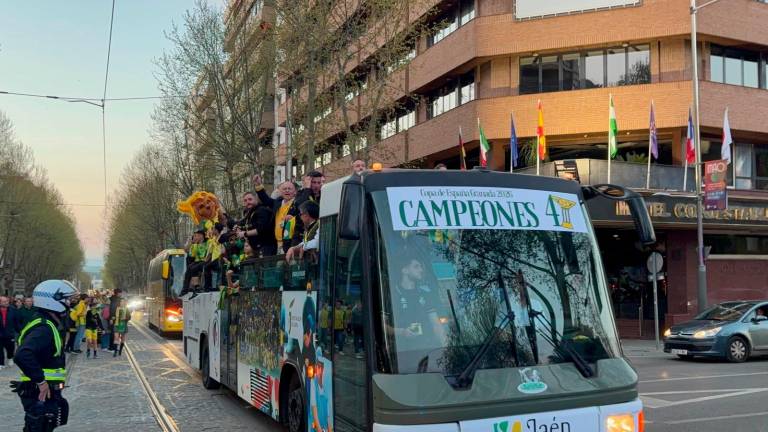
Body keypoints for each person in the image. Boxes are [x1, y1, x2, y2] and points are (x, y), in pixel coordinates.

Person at [12, 279, 77, 432]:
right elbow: (22, 355)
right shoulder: (44, 328)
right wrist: (40, 381)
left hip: (43, 391)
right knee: (39, 426)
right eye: (66, 299)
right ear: (51, 300)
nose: (69, 303)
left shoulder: (47, 322)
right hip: (40, 392)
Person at [253, 177, 299, 254]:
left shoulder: (298, 203)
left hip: (290, 243)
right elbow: (265, 199)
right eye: (284, 189)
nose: (287, 190)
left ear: (295, 192)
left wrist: (294, 218)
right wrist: (258, 185)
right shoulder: (277, 203)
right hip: (277, 244)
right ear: (281, 192)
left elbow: (303, 218)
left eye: (289, 189)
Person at [237, 190, 276, 256]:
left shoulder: (262, 210)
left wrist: (245, 233)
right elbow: (243, 224)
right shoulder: (250, 212)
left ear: (256, 199)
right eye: (245, 200)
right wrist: (238, 227)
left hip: (266, 247)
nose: (248, 202)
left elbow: (261, 229)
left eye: (250, 199)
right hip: (256, 248)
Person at [292, 171, 323, 248]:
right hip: (301, 232)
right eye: (313, 182)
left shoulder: (324, 194)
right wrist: (307, 189)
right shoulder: (302, 193)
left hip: (317, 232)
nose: (316, 185)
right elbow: (299, 206)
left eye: (319, 183)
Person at [182, 229, 208, 293]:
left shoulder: (207, 243)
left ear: (202, 236)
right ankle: (185, 289)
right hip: (197, 261)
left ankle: (196, 286)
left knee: (194, 268)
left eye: (197, 236)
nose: (196, 237)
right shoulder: (195, 245)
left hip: (204, 261)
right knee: (189, 268)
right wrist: (194, 244)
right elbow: (192, 255)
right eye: (195, 236)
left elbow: (205, 253)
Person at [0, 295, 20, 369]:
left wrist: (20, 331)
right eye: (4, 301)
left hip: (10, 334)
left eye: (7, 301)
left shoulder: (13, 310)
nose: (6, 303)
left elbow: (16, 322)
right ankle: (1, 363)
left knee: (10, 348)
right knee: (0, 350)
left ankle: (10, 357)